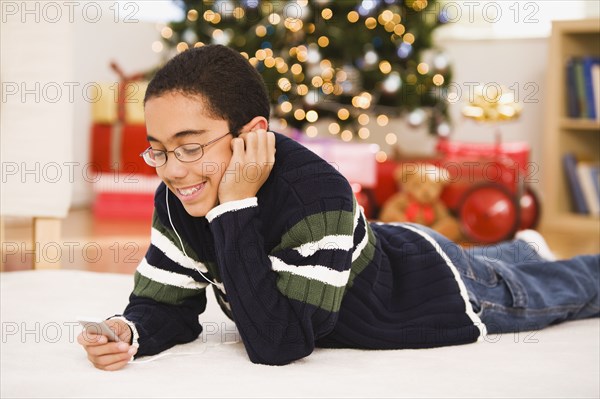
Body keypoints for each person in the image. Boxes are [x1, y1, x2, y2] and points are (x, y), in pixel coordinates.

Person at [77, 45, 599, 370]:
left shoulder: (315, 193)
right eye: (158, 150)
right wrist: (130, 330)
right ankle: (520, 249)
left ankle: (523, 263)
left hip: (437, 289)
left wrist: (234, 206)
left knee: (562, 291)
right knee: (501, 259)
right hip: (387, 246)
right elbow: (166, 301)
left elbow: (279, 341)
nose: (171, 169)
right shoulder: (180, 193)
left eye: (190, 147)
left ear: (252, 136)